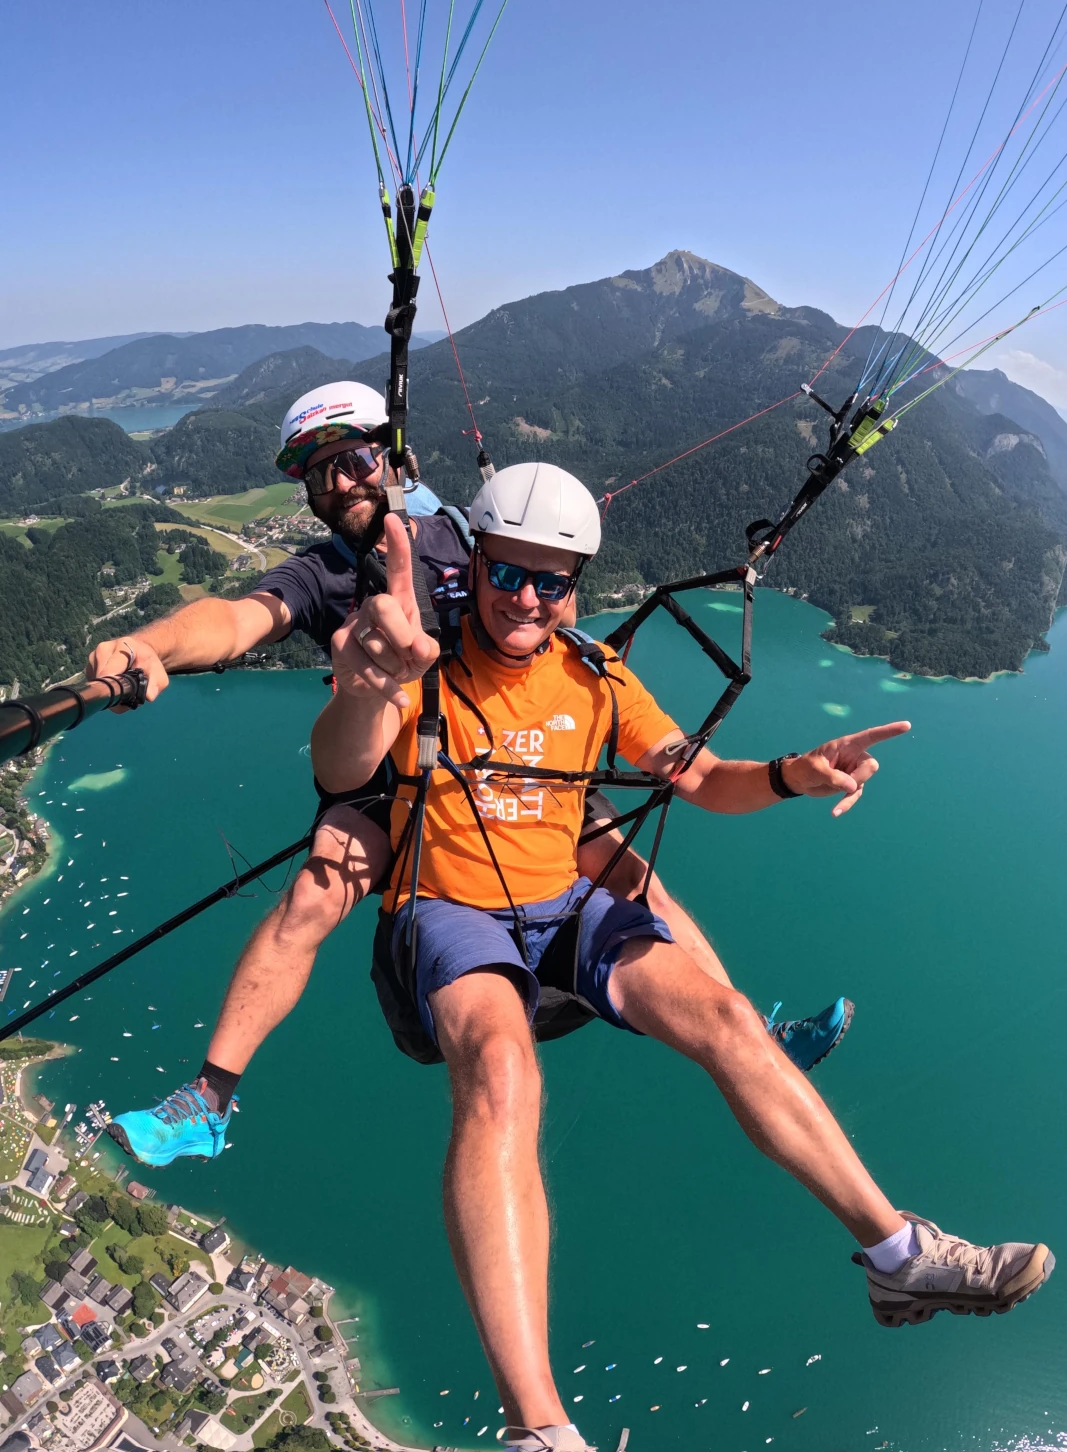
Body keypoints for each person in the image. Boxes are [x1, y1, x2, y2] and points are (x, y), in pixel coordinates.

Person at [311, 461, 1054, 1452]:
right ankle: (536, 1425)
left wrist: (796, 772)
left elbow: (698, 776)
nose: (528, 597)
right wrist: (371, 682)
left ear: (576, 585)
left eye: (553, 578)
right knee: (498, 1067)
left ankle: (896, 1251)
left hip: (561, 903)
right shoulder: (422, 664)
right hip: (448, 910)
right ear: (475, 564)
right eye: (509, 573)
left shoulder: (593, 676)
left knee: (728, 1018)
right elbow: (341, 766)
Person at [94, 387, 848, 1168]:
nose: (341, 485)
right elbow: (234, 618)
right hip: (390, 766)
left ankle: (753, 1040)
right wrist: (151, 645)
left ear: (389, 460)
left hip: (505, 750)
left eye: (354, 462)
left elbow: (550, 592)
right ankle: (207, 1101)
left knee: (634, 881)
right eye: (319, 477)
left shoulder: (462, 534)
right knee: (315, 894)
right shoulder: (322, 574)